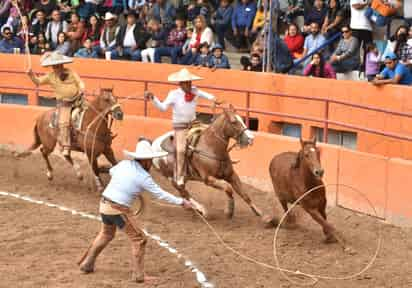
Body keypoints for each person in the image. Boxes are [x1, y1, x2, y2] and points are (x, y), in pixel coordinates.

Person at [78, 139, 193, 283]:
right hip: (118, 209)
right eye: (150, 160)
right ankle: (138, 275)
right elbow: (160, 194)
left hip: (104, 205)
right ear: (144, 161)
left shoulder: (124, 164)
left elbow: (113, 171)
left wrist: (126, 185)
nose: (151, 163)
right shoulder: (144, 177)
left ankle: (88, 263)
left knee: (106, 234)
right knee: (139, 239)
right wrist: (182, 201)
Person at [145, 68, 219, 187]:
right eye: (186, 82)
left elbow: (207, 95)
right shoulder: (173, 94)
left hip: (194, 124)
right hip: (180, 127)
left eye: (190, 82)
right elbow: (163, 108)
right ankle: (179, 175)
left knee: (214, 135)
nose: (189, 84)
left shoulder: (195, 90)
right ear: (180, 83)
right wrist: (153, 99)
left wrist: (214, 98)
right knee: (181, 150)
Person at [26, 52, 85, 156]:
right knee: (64, 123)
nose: (56, 68)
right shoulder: (50, 76)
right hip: (64, 104)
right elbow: (38, 82)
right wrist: (31, 75)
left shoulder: (71, 72)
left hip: (78, 100)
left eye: (58, 65)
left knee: (93, 111)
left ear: (62, 65)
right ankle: (66, 146)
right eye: (54, 66)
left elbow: (79, 81)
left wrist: (82, 87)